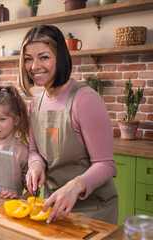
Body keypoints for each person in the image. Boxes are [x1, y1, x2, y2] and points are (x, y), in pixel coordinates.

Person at [19, 25, 118, 224]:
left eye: (44, 57)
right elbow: (34, 151)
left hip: (92, 210)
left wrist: (74, 186)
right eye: (28, 58)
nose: (34, 66)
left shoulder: (85, 99)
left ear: (60, 57)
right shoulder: (35, 104)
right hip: (53, 205)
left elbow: (105, 165)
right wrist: (36, 165)